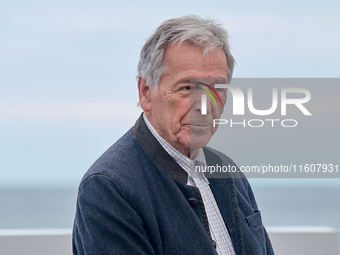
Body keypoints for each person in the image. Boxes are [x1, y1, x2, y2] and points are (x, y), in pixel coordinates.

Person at [72, 15, 275, 255]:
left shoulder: (227, 171)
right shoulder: (109, 187)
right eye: (187, 88)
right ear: (146, 92)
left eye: (218, 89)